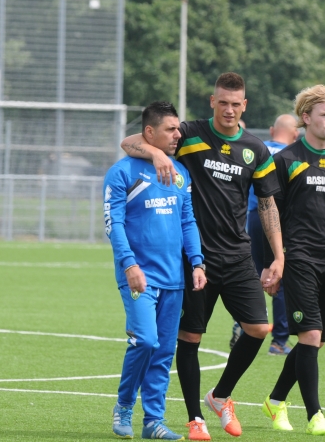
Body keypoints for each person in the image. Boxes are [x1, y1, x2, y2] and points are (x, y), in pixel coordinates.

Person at [120, 72, 285, 440]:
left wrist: (278, 256)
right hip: (195, 259)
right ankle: (195, 417)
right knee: (190, 337)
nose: (228, 109)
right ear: (213, 102)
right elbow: (129, 141)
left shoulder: (256, 150)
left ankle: (221, 396)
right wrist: (156, 152)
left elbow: (268, 204)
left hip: (239, 256)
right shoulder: (190, 133)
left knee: (259, 328)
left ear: (245, 106)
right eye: (222, 102)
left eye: (235, 104)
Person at [261, 85, 325, 436]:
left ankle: (275, 400)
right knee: (309, 335)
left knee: (315, 342)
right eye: (324, 115)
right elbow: (266, 213)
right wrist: (272, 262)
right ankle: (315, 415)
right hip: (297, 259)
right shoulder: (286, 159)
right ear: (306, 118)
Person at [105, 101, 207, 441]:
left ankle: (154, 421)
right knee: (145, 341)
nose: (178, 135)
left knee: (164, 351)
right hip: (139, 276)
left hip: (174, 279)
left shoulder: (180, 174)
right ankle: (123, 405)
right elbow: (113, 224)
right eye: (171, 129)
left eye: (178, 129)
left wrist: (196, 261)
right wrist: (129, 264)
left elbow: (187, 220)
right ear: (149, 133)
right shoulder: (122, 172)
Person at [230, 114, 300, 354]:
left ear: (272, 130)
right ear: (296, 135)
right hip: (277, 221)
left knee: (251, 275)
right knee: (280, 277)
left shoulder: (255, 148)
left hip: (252, 217)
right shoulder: (292, 157)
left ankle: (241, 323)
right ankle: (279, 341)